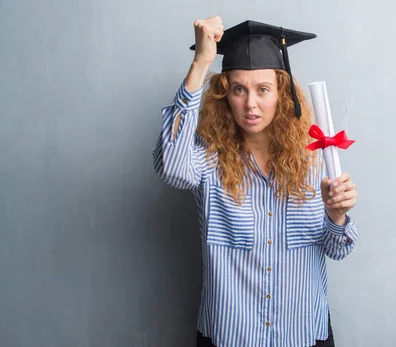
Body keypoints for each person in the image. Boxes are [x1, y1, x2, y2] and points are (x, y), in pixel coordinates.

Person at [153, 16, 358, 347]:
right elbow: (171, 167)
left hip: (302, 333)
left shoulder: (315, 159)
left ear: (282, 93)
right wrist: (201, 62)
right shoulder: (208, 160)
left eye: (263, 90)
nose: (251, 104)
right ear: (224, 96)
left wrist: (337, 216)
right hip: (231, 335)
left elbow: (338, 249)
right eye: (239, 90)